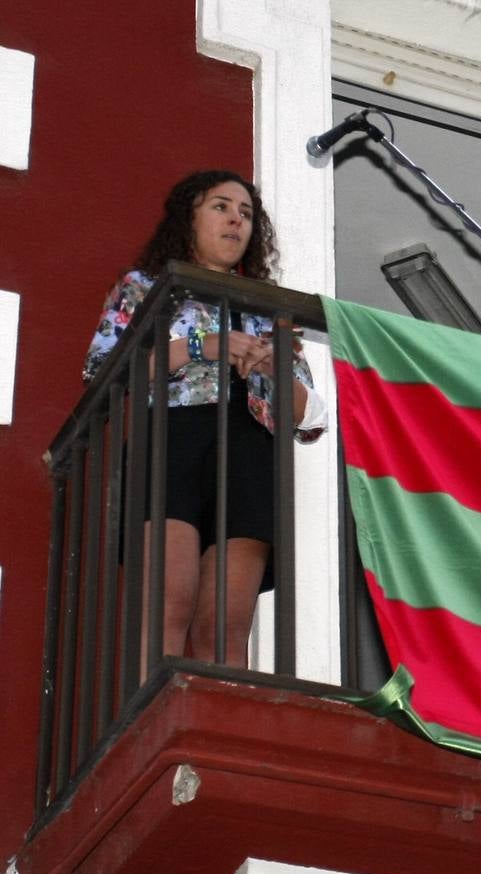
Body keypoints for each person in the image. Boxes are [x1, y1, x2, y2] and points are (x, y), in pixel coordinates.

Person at [83, 170, 326, 667]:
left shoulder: (268, 307)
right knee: (169, 603)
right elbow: (104, 371)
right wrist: (203, 346)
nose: (237, 219)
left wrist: (276, 369)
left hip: (251, 451)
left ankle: (221, 736)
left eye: (247, 213)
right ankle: (157, 731)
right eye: (221, 206)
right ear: (188, 217)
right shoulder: (148, 287)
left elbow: (311, 420)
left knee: (226, 626)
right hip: (174, 438)